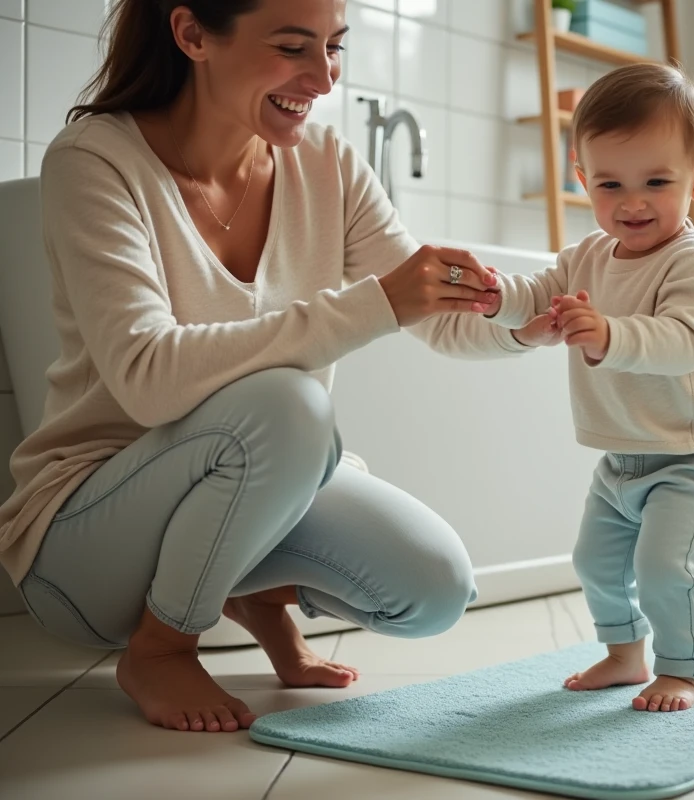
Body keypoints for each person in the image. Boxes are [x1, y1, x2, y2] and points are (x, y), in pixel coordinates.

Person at [0, 0, 527, 733]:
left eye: (334, 48)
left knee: (435, 588)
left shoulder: (328, 164)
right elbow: (150, 378)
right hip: (83, 546)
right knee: (290, 405)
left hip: (240, 477)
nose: (323, 78)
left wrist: (529, 322)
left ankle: (257, 597)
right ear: (191, 35)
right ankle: (160, 647)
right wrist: (375, 303)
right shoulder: (94, 159)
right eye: (292, 47)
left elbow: (431, 314)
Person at [482, 63, 694, 712]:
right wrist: (497, 297)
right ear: (583, 179)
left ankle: (681, 670)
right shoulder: (585, 258)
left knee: (665, 571)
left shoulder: (692, 262)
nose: (632, 203)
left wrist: (607, 335)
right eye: (610, 184)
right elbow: (539, 297)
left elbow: (685, 340)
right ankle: (624, 655)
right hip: (621, 460)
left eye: (657, 182)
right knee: (596, 564)